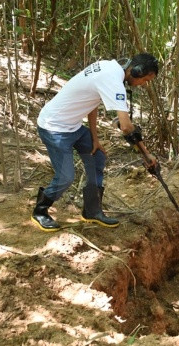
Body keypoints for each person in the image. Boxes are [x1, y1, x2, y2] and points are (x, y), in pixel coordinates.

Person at [32, 53, 159, 232]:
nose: (144, 84)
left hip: (73, 126)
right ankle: (40, 210)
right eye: (146, 79)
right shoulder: (113, 79)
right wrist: (146, 154)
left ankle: (92, 211)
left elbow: (92, 104)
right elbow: (126, 127)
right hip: (54, 127)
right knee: (66, 177)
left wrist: (95, 139)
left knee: (97, 157)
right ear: (137, 71)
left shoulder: (109, 68)